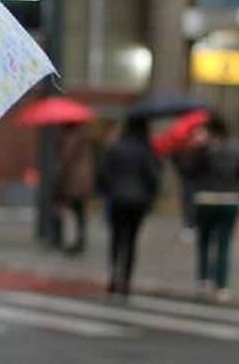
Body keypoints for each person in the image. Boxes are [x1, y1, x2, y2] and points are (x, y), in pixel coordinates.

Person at [190, 115, 239, 301]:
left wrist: (197, 148)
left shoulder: (203, 150)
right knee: (224, 243)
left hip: (206, 199)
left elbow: (190, 172)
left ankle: (203, 279)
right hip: (230, 200)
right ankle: (222, 286)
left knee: (204, 240)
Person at [96, 117, 159, 297]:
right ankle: (126, 281)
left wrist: (110, 188)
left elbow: (103, 172)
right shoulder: (145, 150)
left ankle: (113, 276)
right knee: (131, 241)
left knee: (116, 239)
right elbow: (153, 177)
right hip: (138, 201)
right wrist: (148, 196)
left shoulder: (116, 148)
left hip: (117, 199)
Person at [50, 122, 94, 254]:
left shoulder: (69, 138)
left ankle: (70, 242)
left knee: (69, 212)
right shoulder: (84, 137)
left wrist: (57, 179)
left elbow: (65, 161)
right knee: (79, 213)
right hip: (83, 182)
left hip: (72, 182)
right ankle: (79, 240)